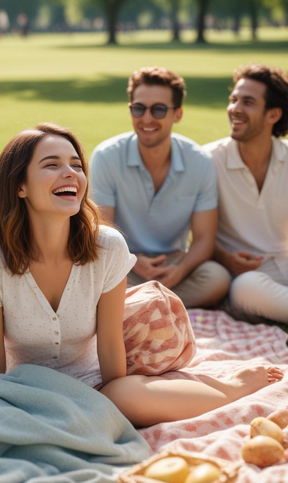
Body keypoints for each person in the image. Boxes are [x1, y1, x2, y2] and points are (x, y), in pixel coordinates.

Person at [0, 123, 283, 428]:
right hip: (25, 389)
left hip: (94, 385)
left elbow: (111, 344)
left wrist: (117, 402)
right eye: (52, 165)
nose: (70, 174)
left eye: (76, 165)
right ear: (20, 185)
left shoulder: (107, 246)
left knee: (124, 397)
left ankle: (232, 390)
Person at [204, 64, 288, 328]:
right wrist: (226, 258)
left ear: (273, 114)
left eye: (248, 102)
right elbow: (197, 235)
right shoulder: (208, 160)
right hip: (249, 282)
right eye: (233, 100)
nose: (235, 109)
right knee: (246, 287)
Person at [90, 67, 231, 308]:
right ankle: (163, 305)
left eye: (158, 109)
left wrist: (181, 269)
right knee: (92, 276)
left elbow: (204, 240)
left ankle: (138, 305)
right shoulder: (106, 156)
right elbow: (102, 232)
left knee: (217, 279)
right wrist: (132, 261)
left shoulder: (199, 161)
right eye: (138, 108)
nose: (146, 118)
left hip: (174, 266)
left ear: (178, 114)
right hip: (123, 264)